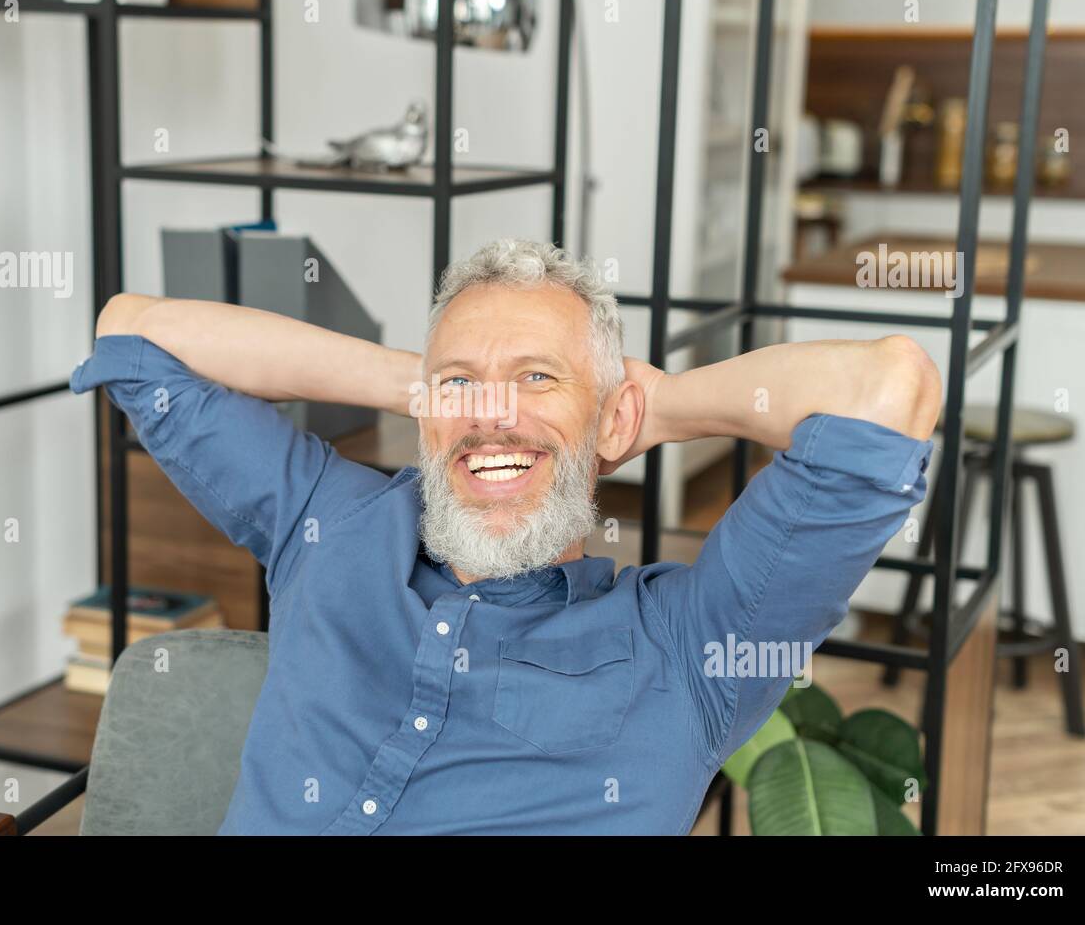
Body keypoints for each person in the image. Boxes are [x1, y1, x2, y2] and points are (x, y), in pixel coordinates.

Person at [70, 238, 940, 835]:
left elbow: (890, 387)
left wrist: (657, 406)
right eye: (464, 383)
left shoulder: (694, 644)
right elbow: (135, 333)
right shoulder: (327, 523)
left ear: (609, 419)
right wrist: (422, 388)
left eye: (537, 377)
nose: (495, 416)